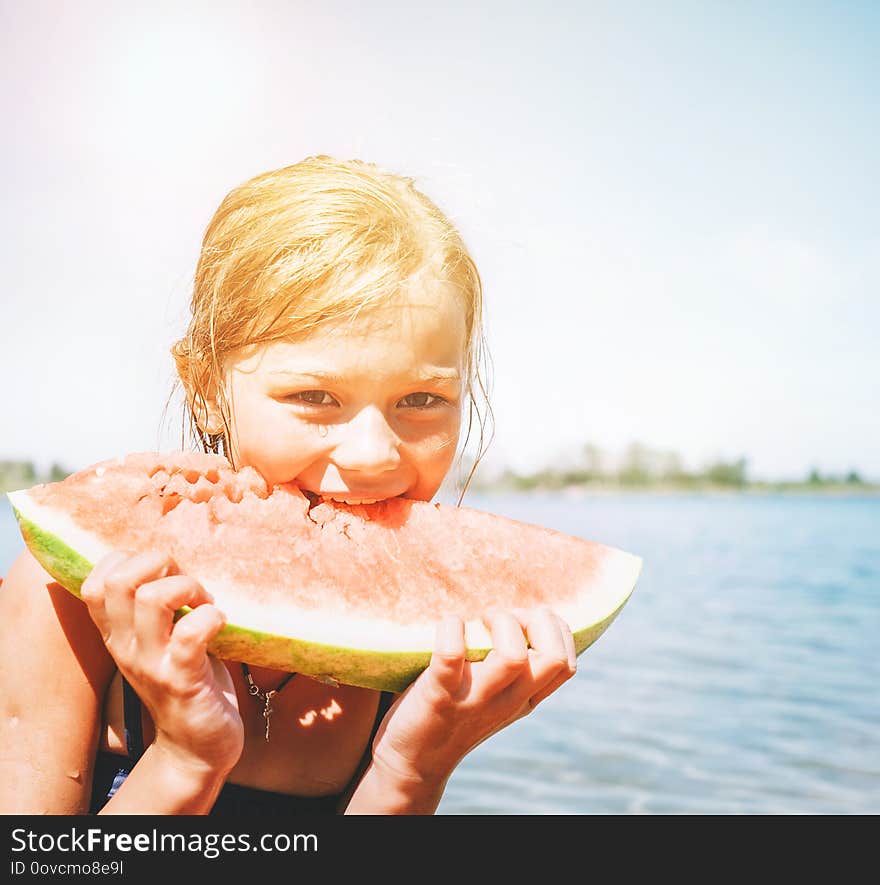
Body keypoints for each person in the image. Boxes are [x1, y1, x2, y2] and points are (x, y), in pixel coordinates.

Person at [0, 155, 577, 815]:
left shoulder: (432, 641)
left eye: (421, 398)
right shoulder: (62, 601)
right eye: (315, 395)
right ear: (206, 391)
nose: (370, 454)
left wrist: (409, 774)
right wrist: (183, 759)